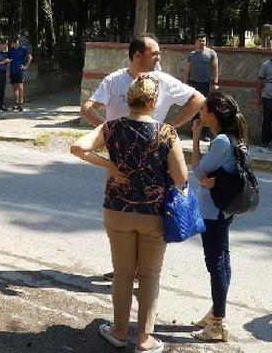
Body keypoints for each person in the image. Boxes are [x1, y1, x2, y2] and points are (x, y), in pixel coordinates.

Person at [71, 74, 188, 353]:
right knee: (149, 276)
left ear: (130, 100)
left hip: (117, 209)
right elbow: (181, 177)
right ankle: (145, 340)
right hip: (154, 213)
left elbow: (77, 147)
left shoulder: (111, 127)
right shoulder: (167, 133)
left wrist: (110, 167)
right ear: (153, 101)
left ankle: (119, 332)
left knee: (123, 274)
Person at [82, 33, 204, 282]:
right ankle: (125, 268)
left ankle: (143, 272)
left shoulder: (163, 82)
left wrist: (172, 125)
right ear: (137, 55)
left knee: (153, 219)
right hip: (120, 163)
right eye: (155, 53)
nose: (159, 57)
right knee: (116, 214)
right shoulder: (115, 80)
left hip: (154, 163)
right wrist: (110, 133)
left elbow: (198, 99)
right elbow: (87, 108)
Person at [190, 92, 248, 343]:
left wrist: (194, 138)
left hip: (213, 211)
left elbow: (197, 171)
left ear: (212, 115)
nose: (200, 114)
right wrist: (205, 180)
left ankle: (217, 324)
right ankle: (216, 312)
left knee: (216, 263)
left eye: (203, 110)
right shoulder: (233, 137)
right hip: (224, 209)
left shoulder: (222, 141)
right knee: (222, 260)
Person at [184, 34, 218, 141]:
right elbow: (187, 70)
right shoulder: (192, 55)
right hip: (193, 84)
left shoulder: (211, 53)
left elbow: (215, 69)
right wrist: (185, 83)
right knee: (193, 106)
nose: (202, 42)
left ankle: (205, 133)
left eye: (203, 40)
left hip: (205, 84)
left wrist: (215, 83)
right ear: (196, 42)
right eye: (200, 40)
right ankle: (194, 130)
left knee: (205, 107)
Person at [7, 38, 33, 112]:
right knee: (15, 88)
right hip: (13, 71)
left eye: (12, 43)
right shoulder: (11, 51)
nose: (11, 45)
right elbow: (9, 61)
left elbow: (30, 57)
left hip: (20, 71)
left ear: (14, 43)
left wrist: (26, 66)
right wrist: (8, 72)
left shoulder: (22, 49)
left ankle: (21, 104)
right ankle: (16, 103)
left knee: (20, 87)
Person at [256, 58, 272, 153]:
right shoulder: (265, 65)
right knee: (267, 120)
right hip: (268, 97)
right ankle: (265, 141)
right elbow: (259, 82)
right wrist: (258, 97)